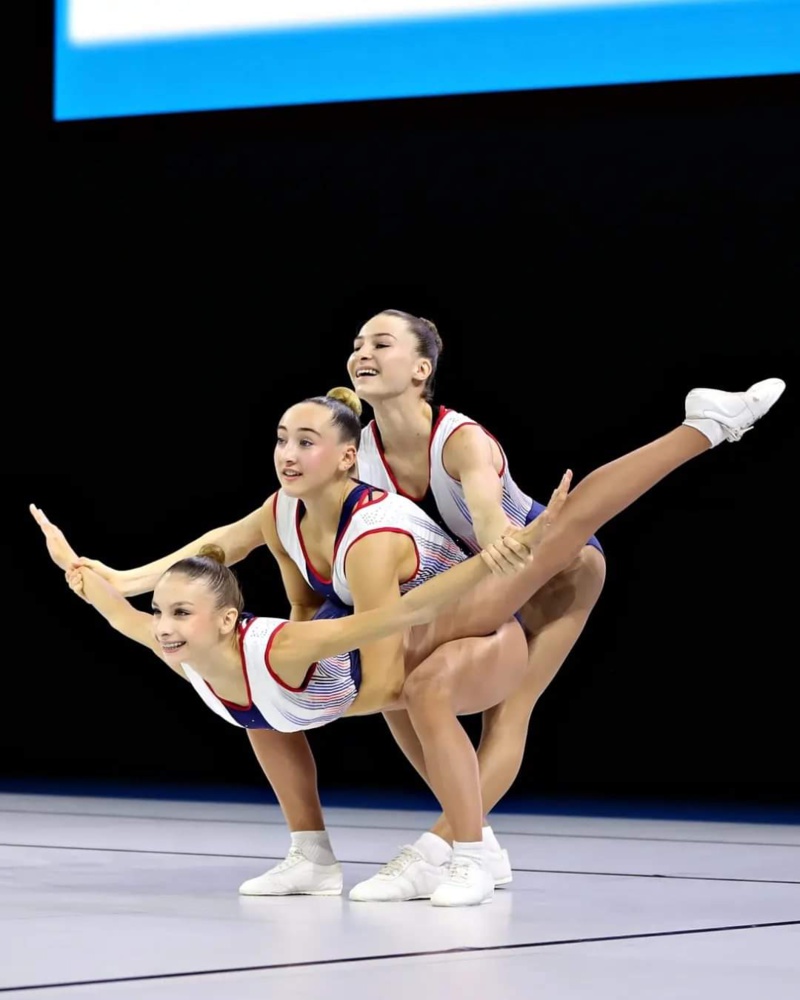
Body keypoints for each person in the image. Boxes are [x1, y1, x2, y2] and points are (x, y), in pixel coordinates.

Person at [32, 376, 785, 905]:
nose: (286, 454)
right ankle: (326, 853)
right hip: (403, 625)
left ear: (348, 457)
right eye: (280, 439)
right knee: (262, 707)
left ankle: (705, 425)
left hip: (466, 608)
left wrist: (503, 548)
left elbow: (386, 642)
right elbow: (210, 550)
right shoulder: (281, 512)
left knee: (557, 538)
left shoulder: (375, 531)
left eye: (305, 442)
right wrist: (113, 577)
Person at [343, 308, 608, 900]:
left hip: (555, 571)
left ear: (420, 368)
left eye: (380, 344)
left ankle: (436, 851)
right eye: (357, 344)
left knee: (507, 715)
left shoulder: (459, 439)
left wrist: (498, 539)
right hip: (479, 579)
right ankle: (478, 843)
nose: (362, 352)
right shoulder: (359, 453)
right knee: (396, 686)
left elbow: (488, 517)